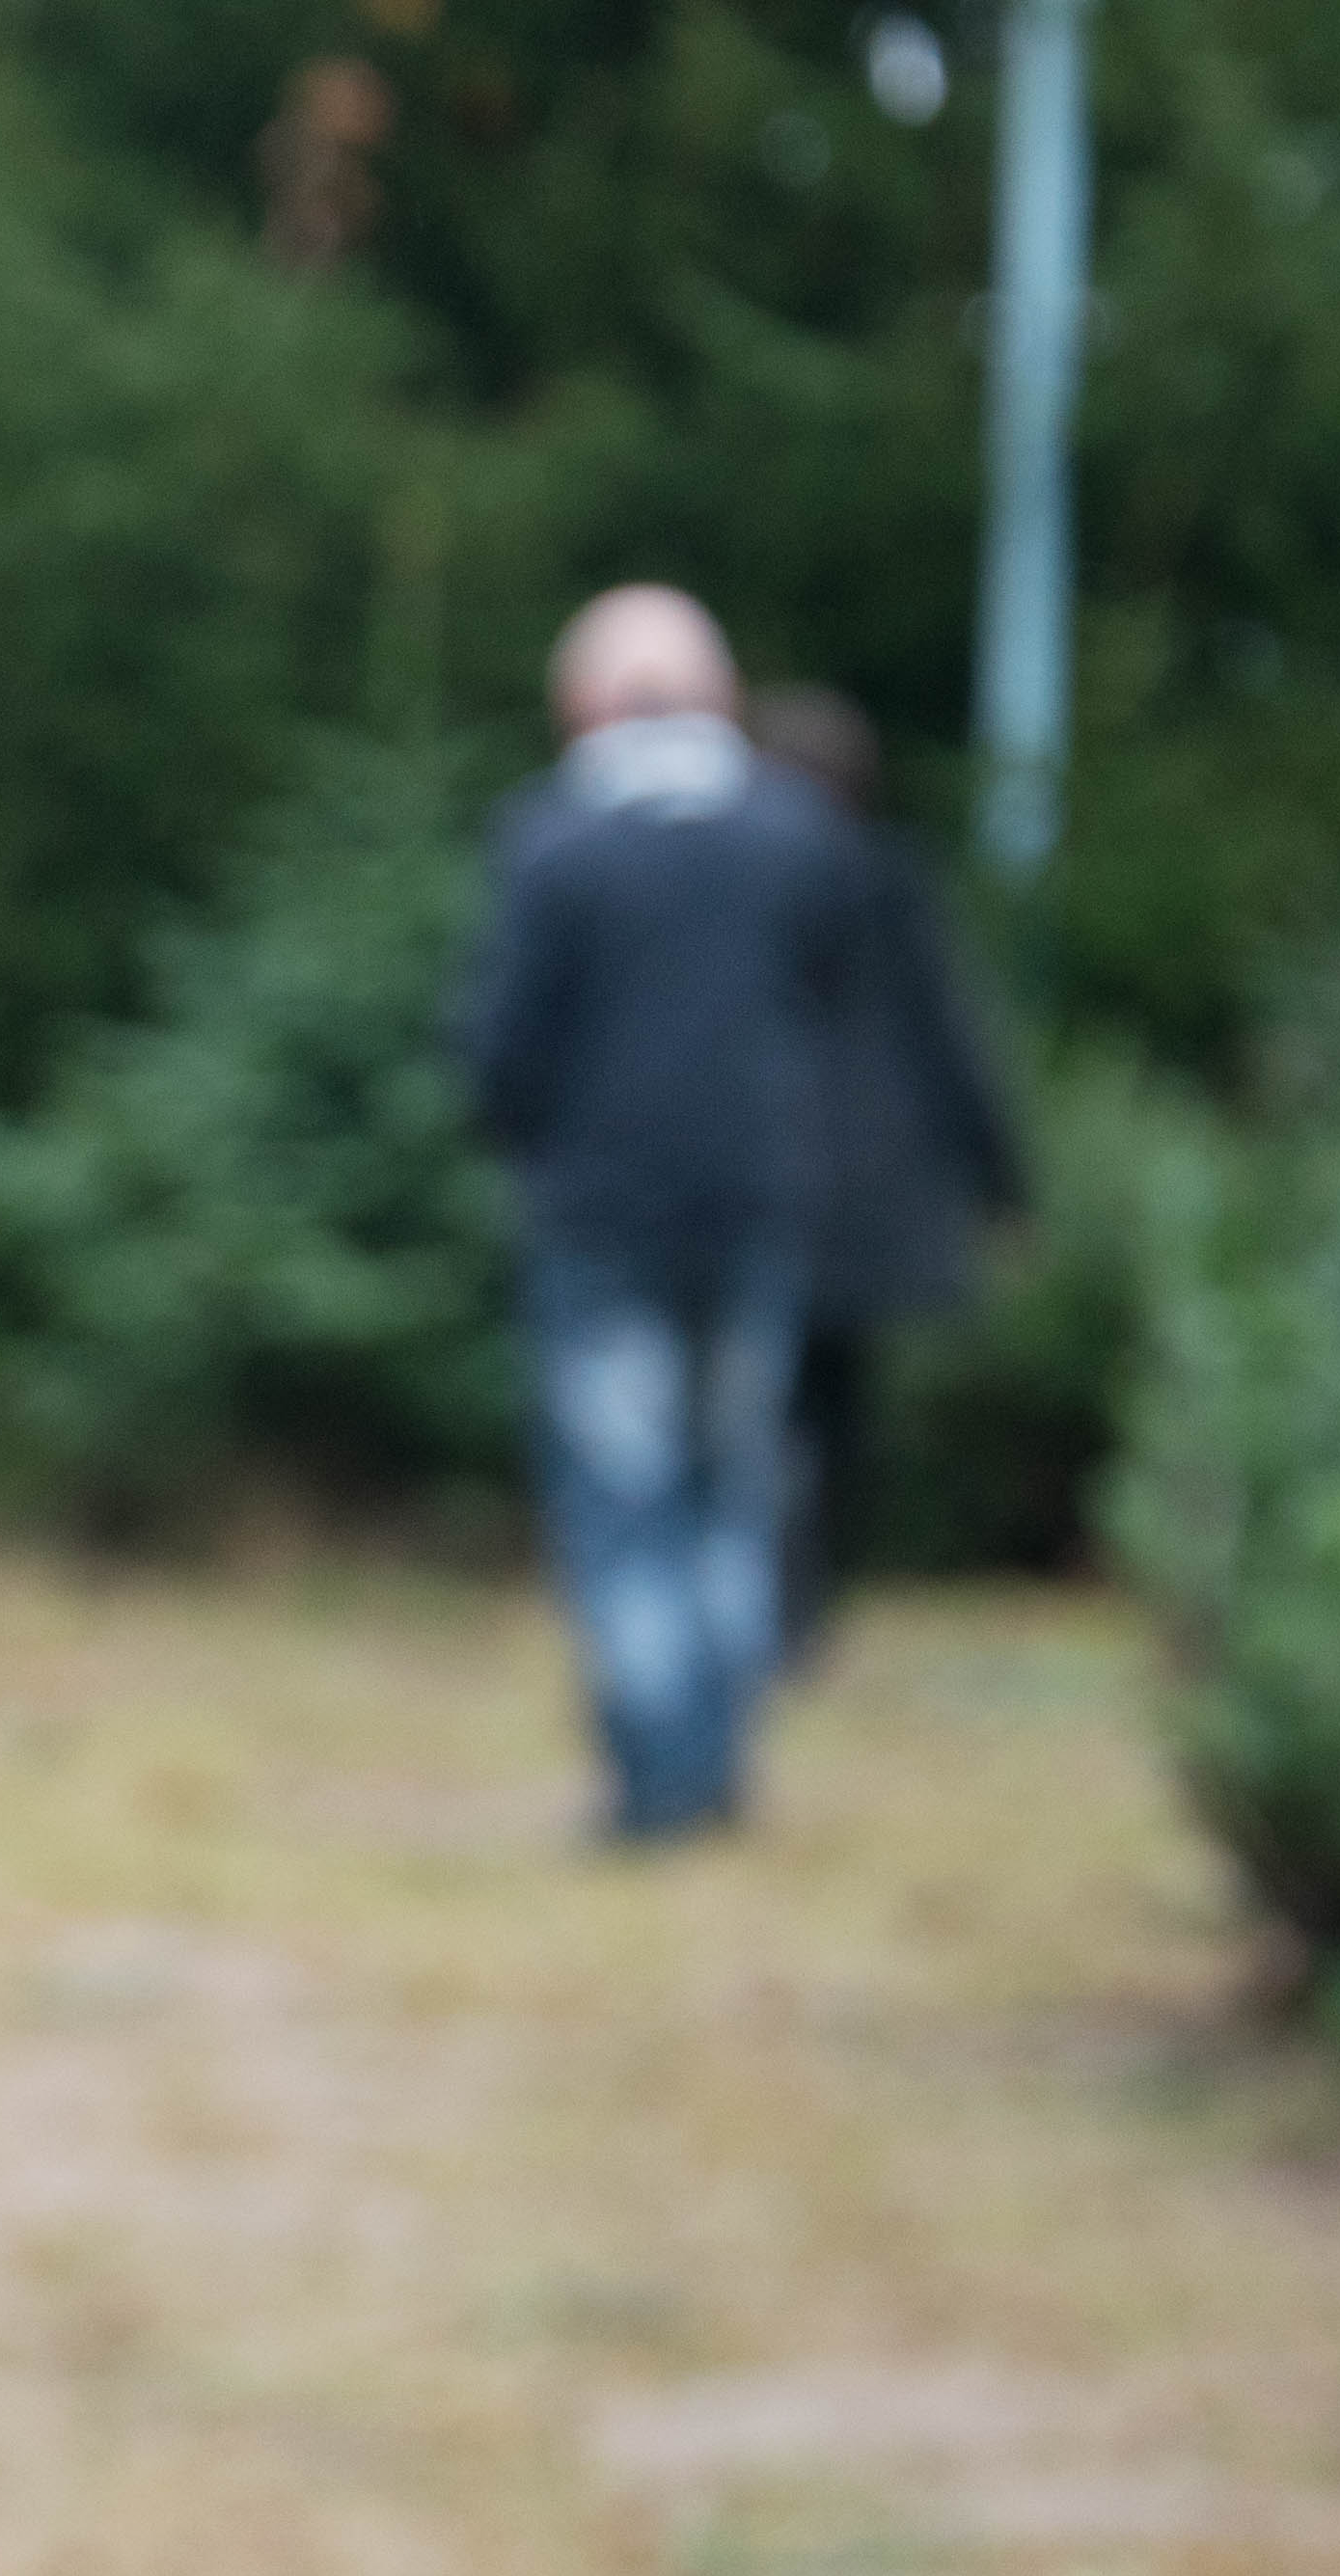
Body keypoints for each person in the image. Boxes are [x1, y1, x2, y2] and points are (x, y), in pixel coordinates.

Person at [452, 584, 867, 1843]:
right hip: (757, 1209)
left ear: (583, 704)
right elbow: (838, 1013)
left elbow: (500, 1051)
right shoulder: (796, 834)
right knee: (734, 1480)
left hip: (602, 1219)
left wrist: (521, 1141)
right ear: (720, 697)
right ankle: (719, 1756)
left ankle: (658, 1780)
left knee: (625, 1492)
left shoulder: (554, 838)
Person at [746, 684, 1029, 1658]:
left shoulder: (745, 879)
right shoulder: (892, 880)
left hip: (771, 1176)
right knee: (838, 1409)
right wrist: (1003, 1181)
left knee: (765, 1402)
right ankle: (808, 1600)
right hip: (873, 1192)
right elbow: (955, 1042)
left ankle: (774, 1596)